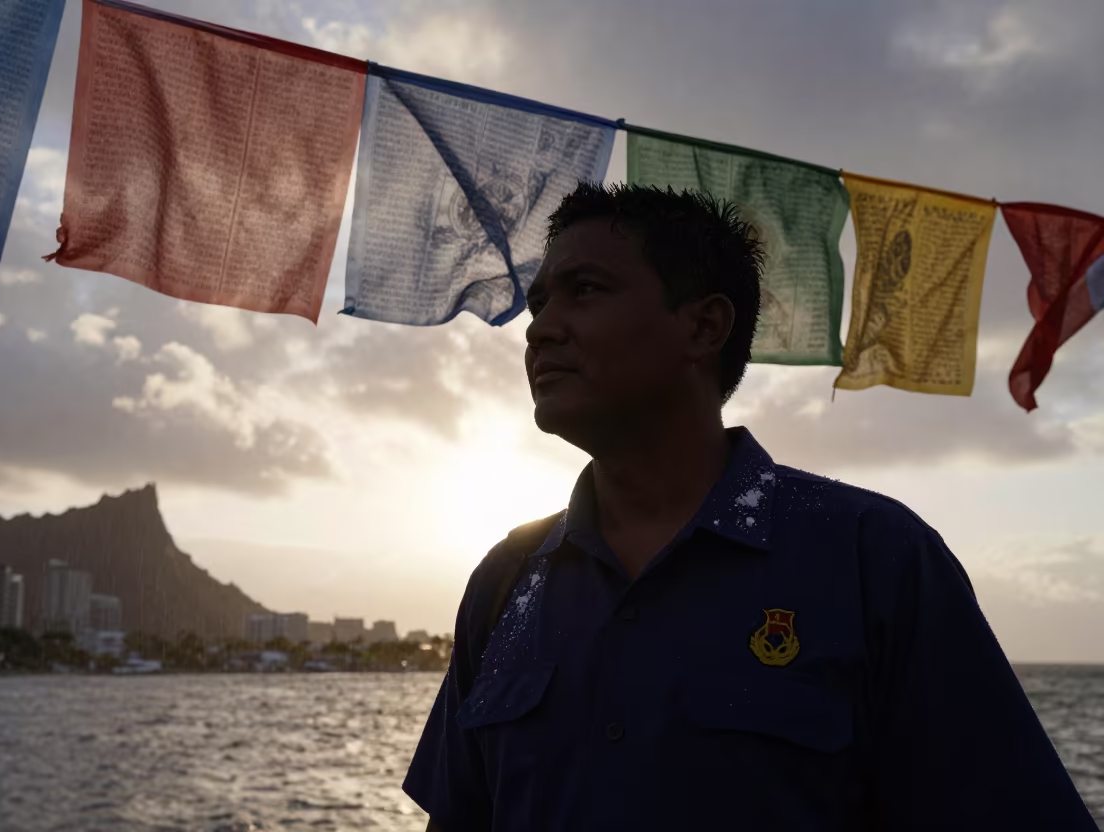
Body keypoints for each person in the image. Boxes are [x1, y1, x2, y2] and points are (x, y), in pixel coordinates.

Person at [402, 182, 1099, 831]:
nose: (540, 329)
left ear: (704, 326)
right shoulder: (506, 582)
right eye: (540, 302)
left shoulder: (875, 560)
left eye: (585, 290)